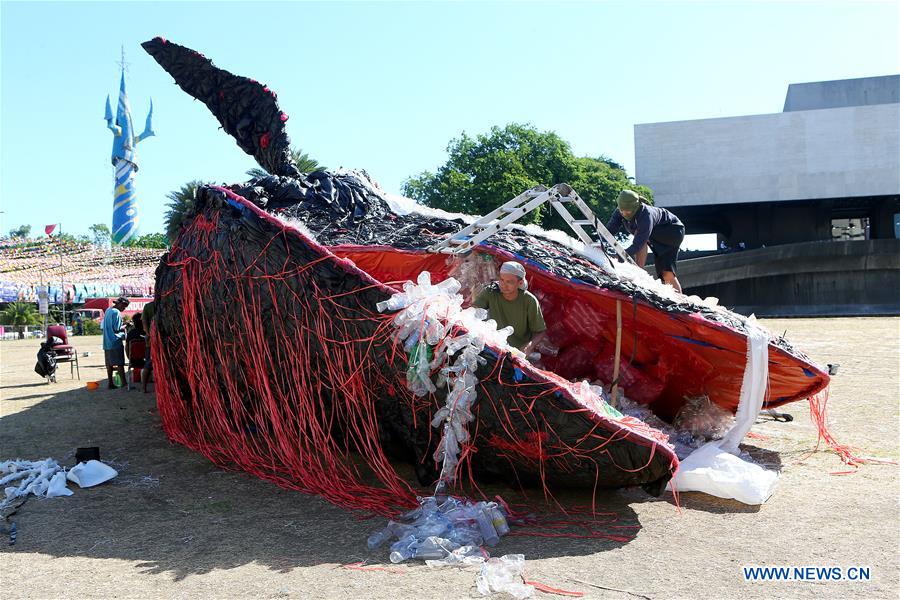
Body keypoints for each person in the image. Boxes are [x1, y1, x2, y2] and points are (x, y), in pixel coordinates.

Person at [606, 189, 685, 293]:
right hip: (654, 234)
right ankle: (639, 270)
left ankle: (639, 271)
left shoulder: (646, 215)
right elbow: (610, 230)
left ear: (635, 207)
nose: (624, 213)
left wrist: (619, 256)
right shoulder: (620, 210)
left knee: (667, 273)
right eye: (622, 210)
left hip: (672, 232)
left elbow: (638, 243)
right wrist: (601, 243)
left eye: (627, 211)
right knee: (665, 274)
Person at [473, 261, 546, 356]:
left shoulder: (529, 301)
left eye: (509, 282)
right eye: (502, 280)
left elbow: (540, 331)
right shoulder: (491, 291)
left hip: (516, 353)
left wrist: (529, 346)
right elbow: (474, 311)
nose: (503, 285)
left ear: (520, 283)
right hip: (492, 347)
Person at [102, 296, 129, 389]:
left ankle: (110, 383)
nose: (124, 309)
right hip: (115, 341)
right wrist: (126, 325)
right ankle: (124, 383)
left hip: (107, 342)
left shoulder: (108, 310)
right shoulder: (116, 312)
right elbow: (117, 329)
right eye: (124, 306)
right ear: (120, 304)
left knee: (109, 364)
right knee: (120, 363)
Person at [141, 300, 155, 393]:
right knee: (149, 365)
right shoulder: (164, 303)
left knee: (148, 365)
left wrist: (148, 334)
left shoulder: (148, 306)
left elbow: (144, 322)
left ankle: (144, 388)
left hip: (151, 342)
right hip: (159, 341)